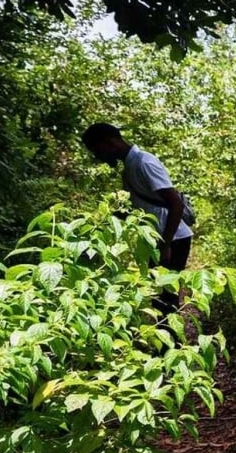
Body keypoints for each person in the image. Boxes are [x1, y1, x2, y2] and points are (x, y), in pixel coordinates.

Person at [81, 122, 192, 315]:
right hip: (159, 240)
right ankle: (167, 342)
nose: (97, 156)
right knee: (159, 295)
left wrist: (165, 245)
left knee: (165, 297)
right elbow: (134, 208)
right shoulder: (130, 166)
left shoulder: (144, 163)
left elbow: (175, 203)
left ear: (110, 142)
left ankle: (172, 343)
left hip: (173, 239)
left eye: (96, 149)